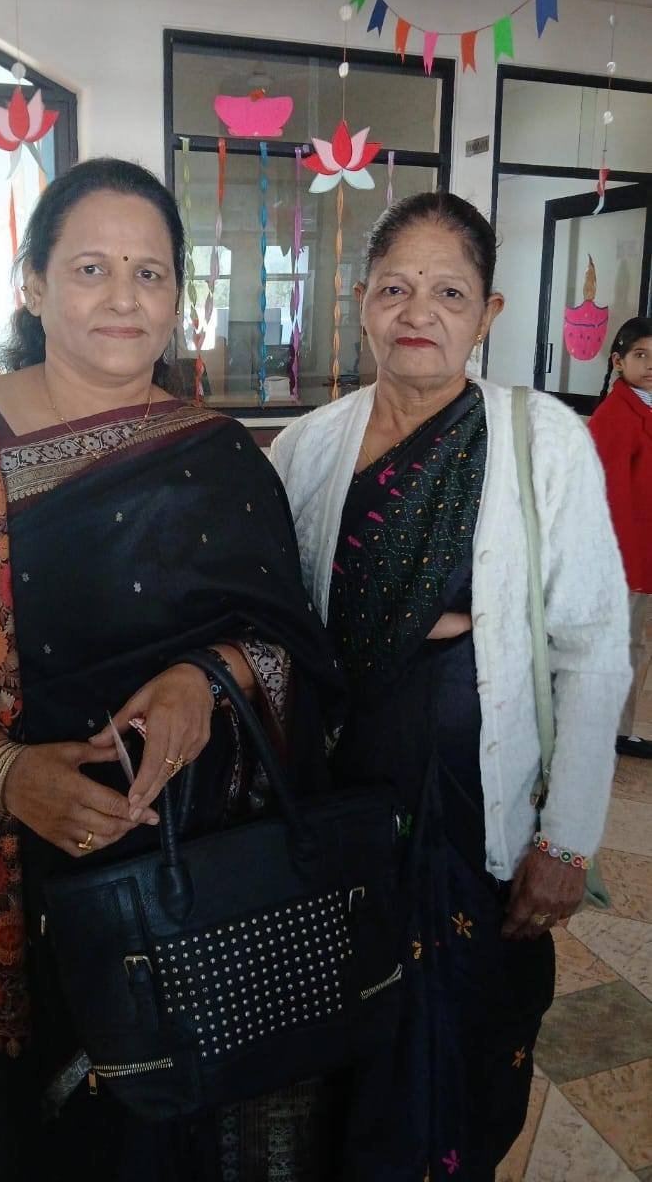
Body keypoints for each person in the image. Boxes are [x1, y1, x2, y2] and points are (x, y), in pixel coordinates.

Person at [0, 158, 342, 1182]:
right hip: (12, 861)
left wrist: (208, 676)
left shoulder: (220, 453)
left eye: (150, 273)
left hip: (194, 860)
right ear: (32, 283)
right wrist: (4, 771)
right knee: (51, 1139)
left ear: (179, 297)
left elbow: (290, 641)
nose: (124, 297)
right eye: (91, 267)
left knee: (184, 1130)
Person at [270, 191, 631, 1182]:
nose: (417, 311)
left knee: (469, 1026)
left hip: (477, 806)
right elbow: (281, 627)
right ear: (359, 301)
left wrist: (567, 836)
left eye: (448, 292)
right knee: (346, 1034)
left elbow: (592, 645)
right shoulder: (308, 446)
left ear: (487, 313)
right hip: (341, 799)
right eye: (394, 288)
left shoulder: (541, 438)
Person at [589, 318, 652, 759]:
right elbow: (606, 500)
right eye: (641, 355)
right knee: (620, 645)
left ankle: (619, 730)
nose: (650, 365)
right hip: (623, 558)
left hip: (641, 552)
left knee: (634, 644)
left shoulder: (644, 408)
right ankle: (605, 733)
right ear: (618, 361)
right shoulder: (616, 416)